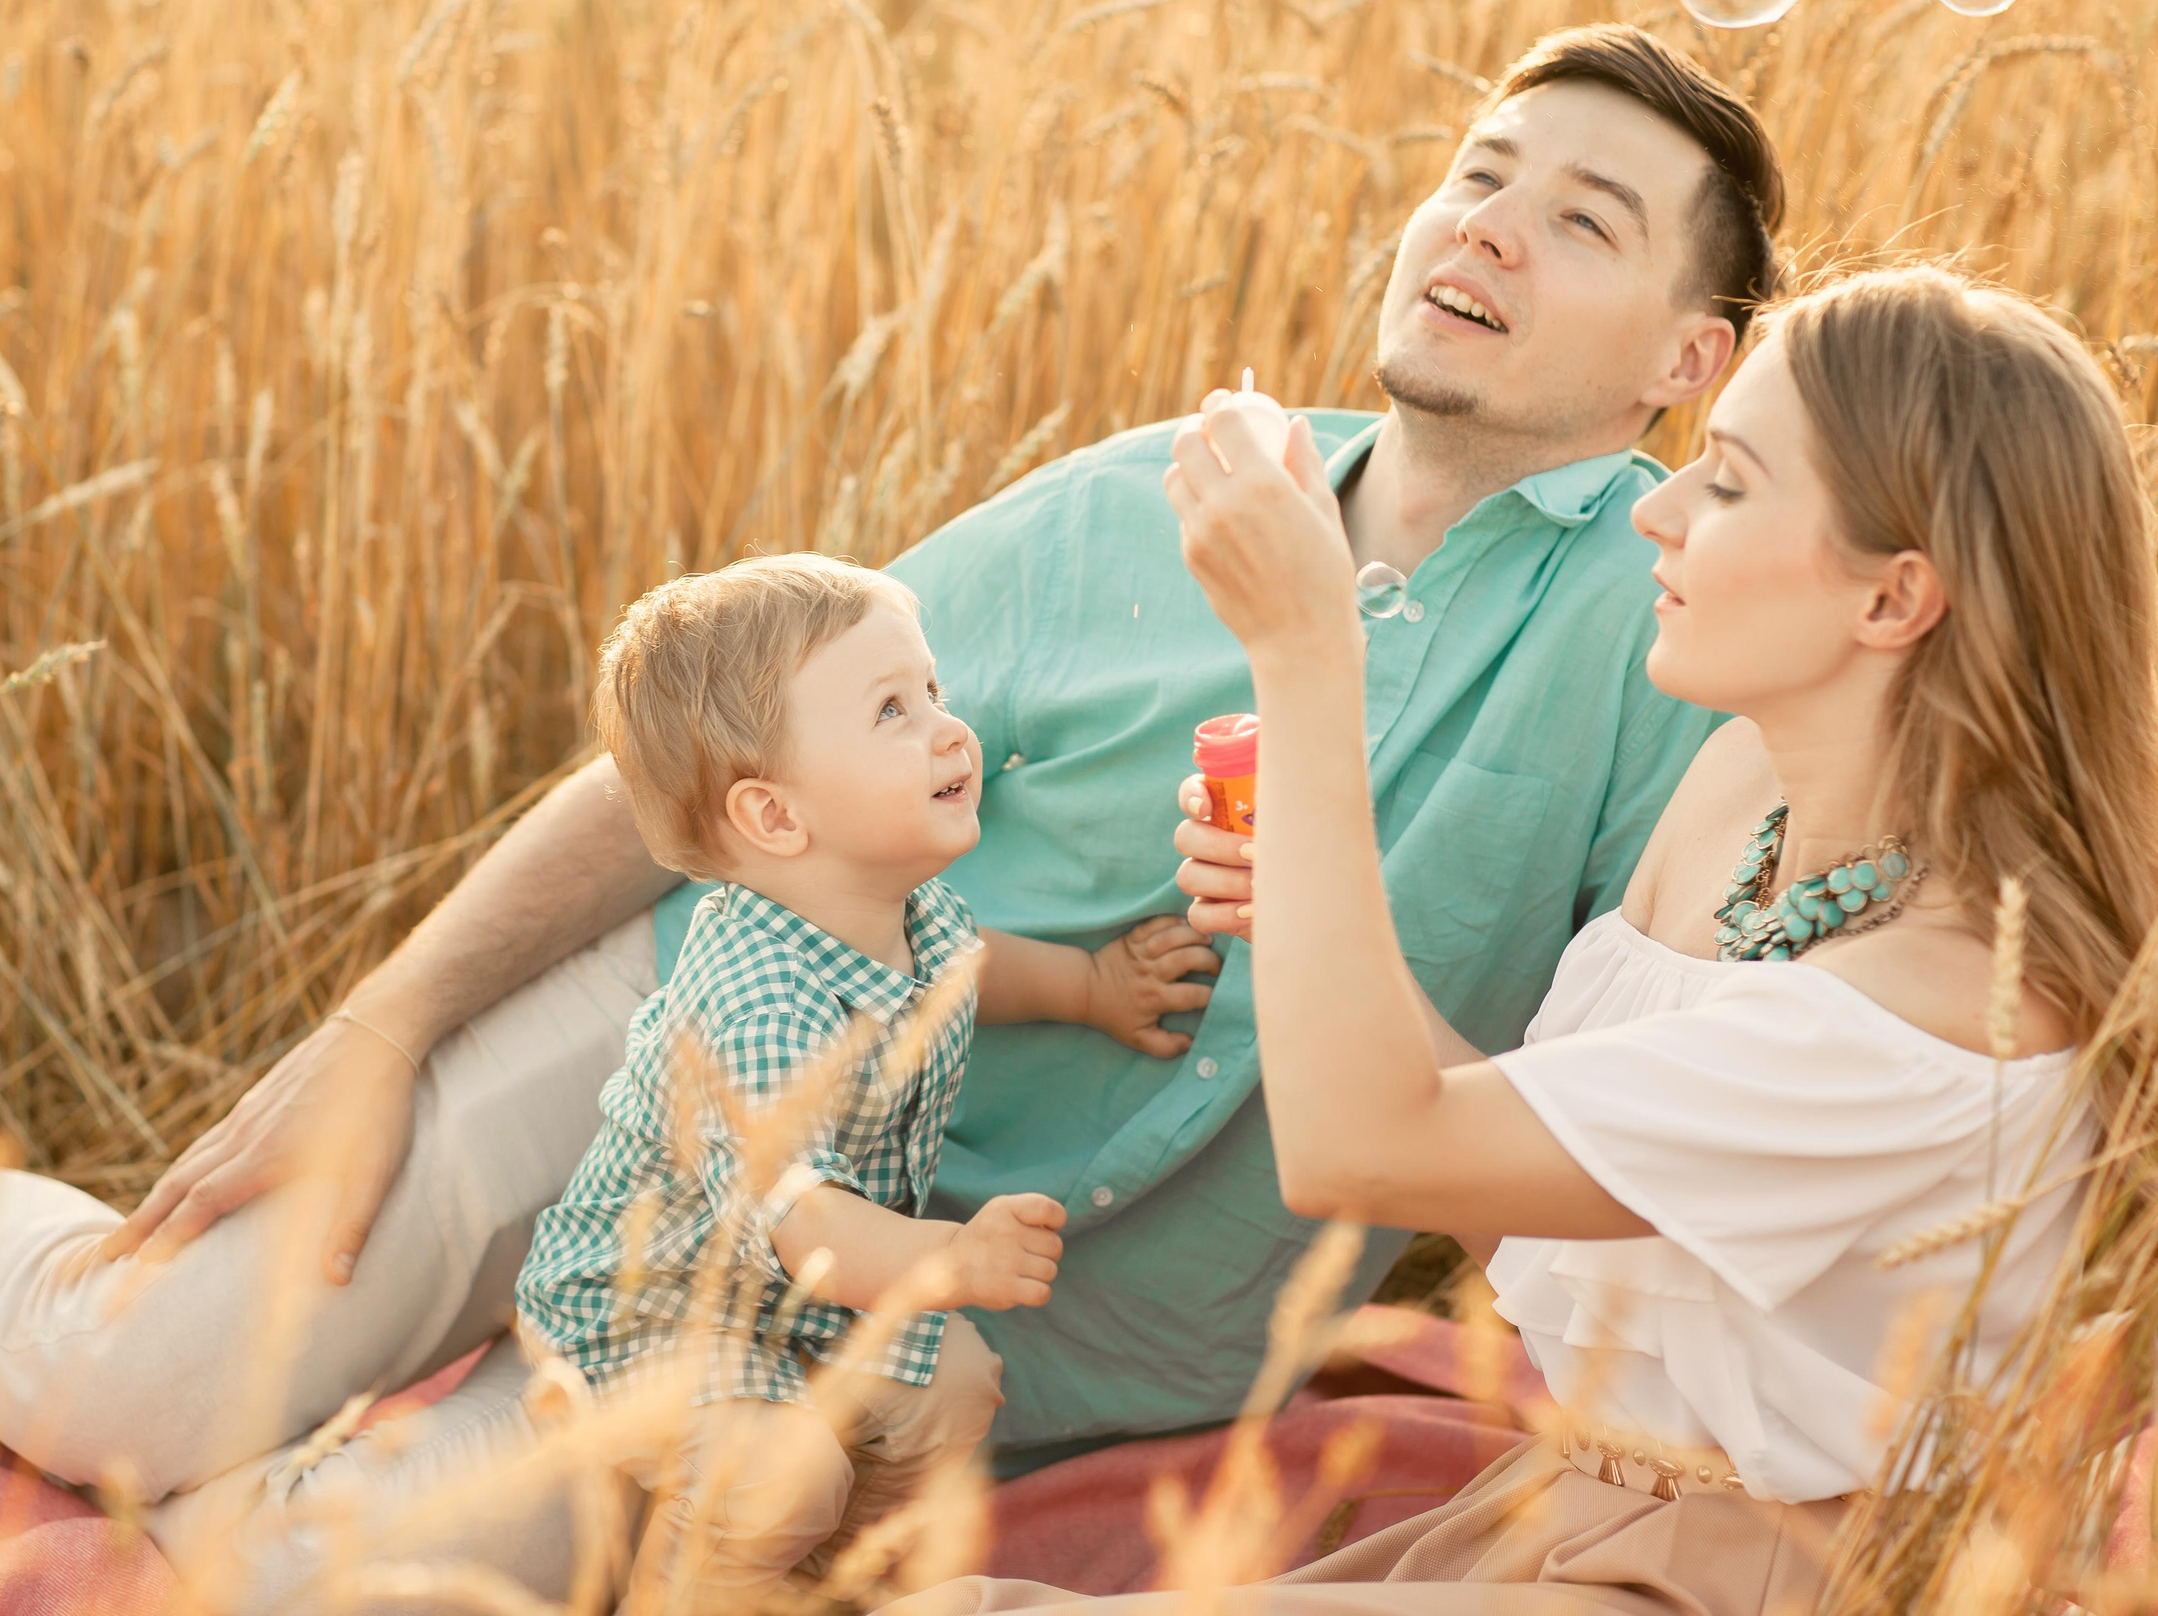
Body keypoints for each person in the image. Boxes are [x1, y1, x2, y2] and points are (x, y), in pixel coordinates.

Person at [0, 20, 1783, 1605]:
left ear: (1686, 363)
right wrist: (378, 1032)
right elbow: (704, 757)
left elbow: (1598, 1104)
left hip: (966, 1329)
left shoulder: (1664, 629)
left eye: (1577, 219)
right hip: (680, 1049)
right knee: (142, 1385)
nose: (1480, 228)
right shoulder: (1165, 485)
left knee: (306, 1570)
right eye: (1475, 172)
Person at [886, 263, 2149, 1614]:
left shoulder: (1916, 1012)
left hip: (1749, 1580)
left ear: (1892, 600)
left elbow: (1362, 1149)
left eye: (1723, 482)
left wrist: (1310, 645)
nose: (1655, 513)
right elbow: (1532, 1208)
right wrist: (1301, 894)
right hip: (1566, 1506)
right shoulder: (1744, 790)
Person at [511, 554, 1213, 1605]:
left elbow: (972, 968)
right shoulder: (753, 1005)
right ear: (776, 818)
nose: (948, 727)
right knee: (780, 1479)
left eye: (932, 690)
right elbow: (810, 1229)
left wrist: (1091, 986)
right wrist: (954, 1258)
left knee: (957, 1383)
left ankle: (831, 1577)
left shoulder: (904, 908)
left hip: (793, 1299)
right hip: (657, 1310)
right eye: (892, 710)